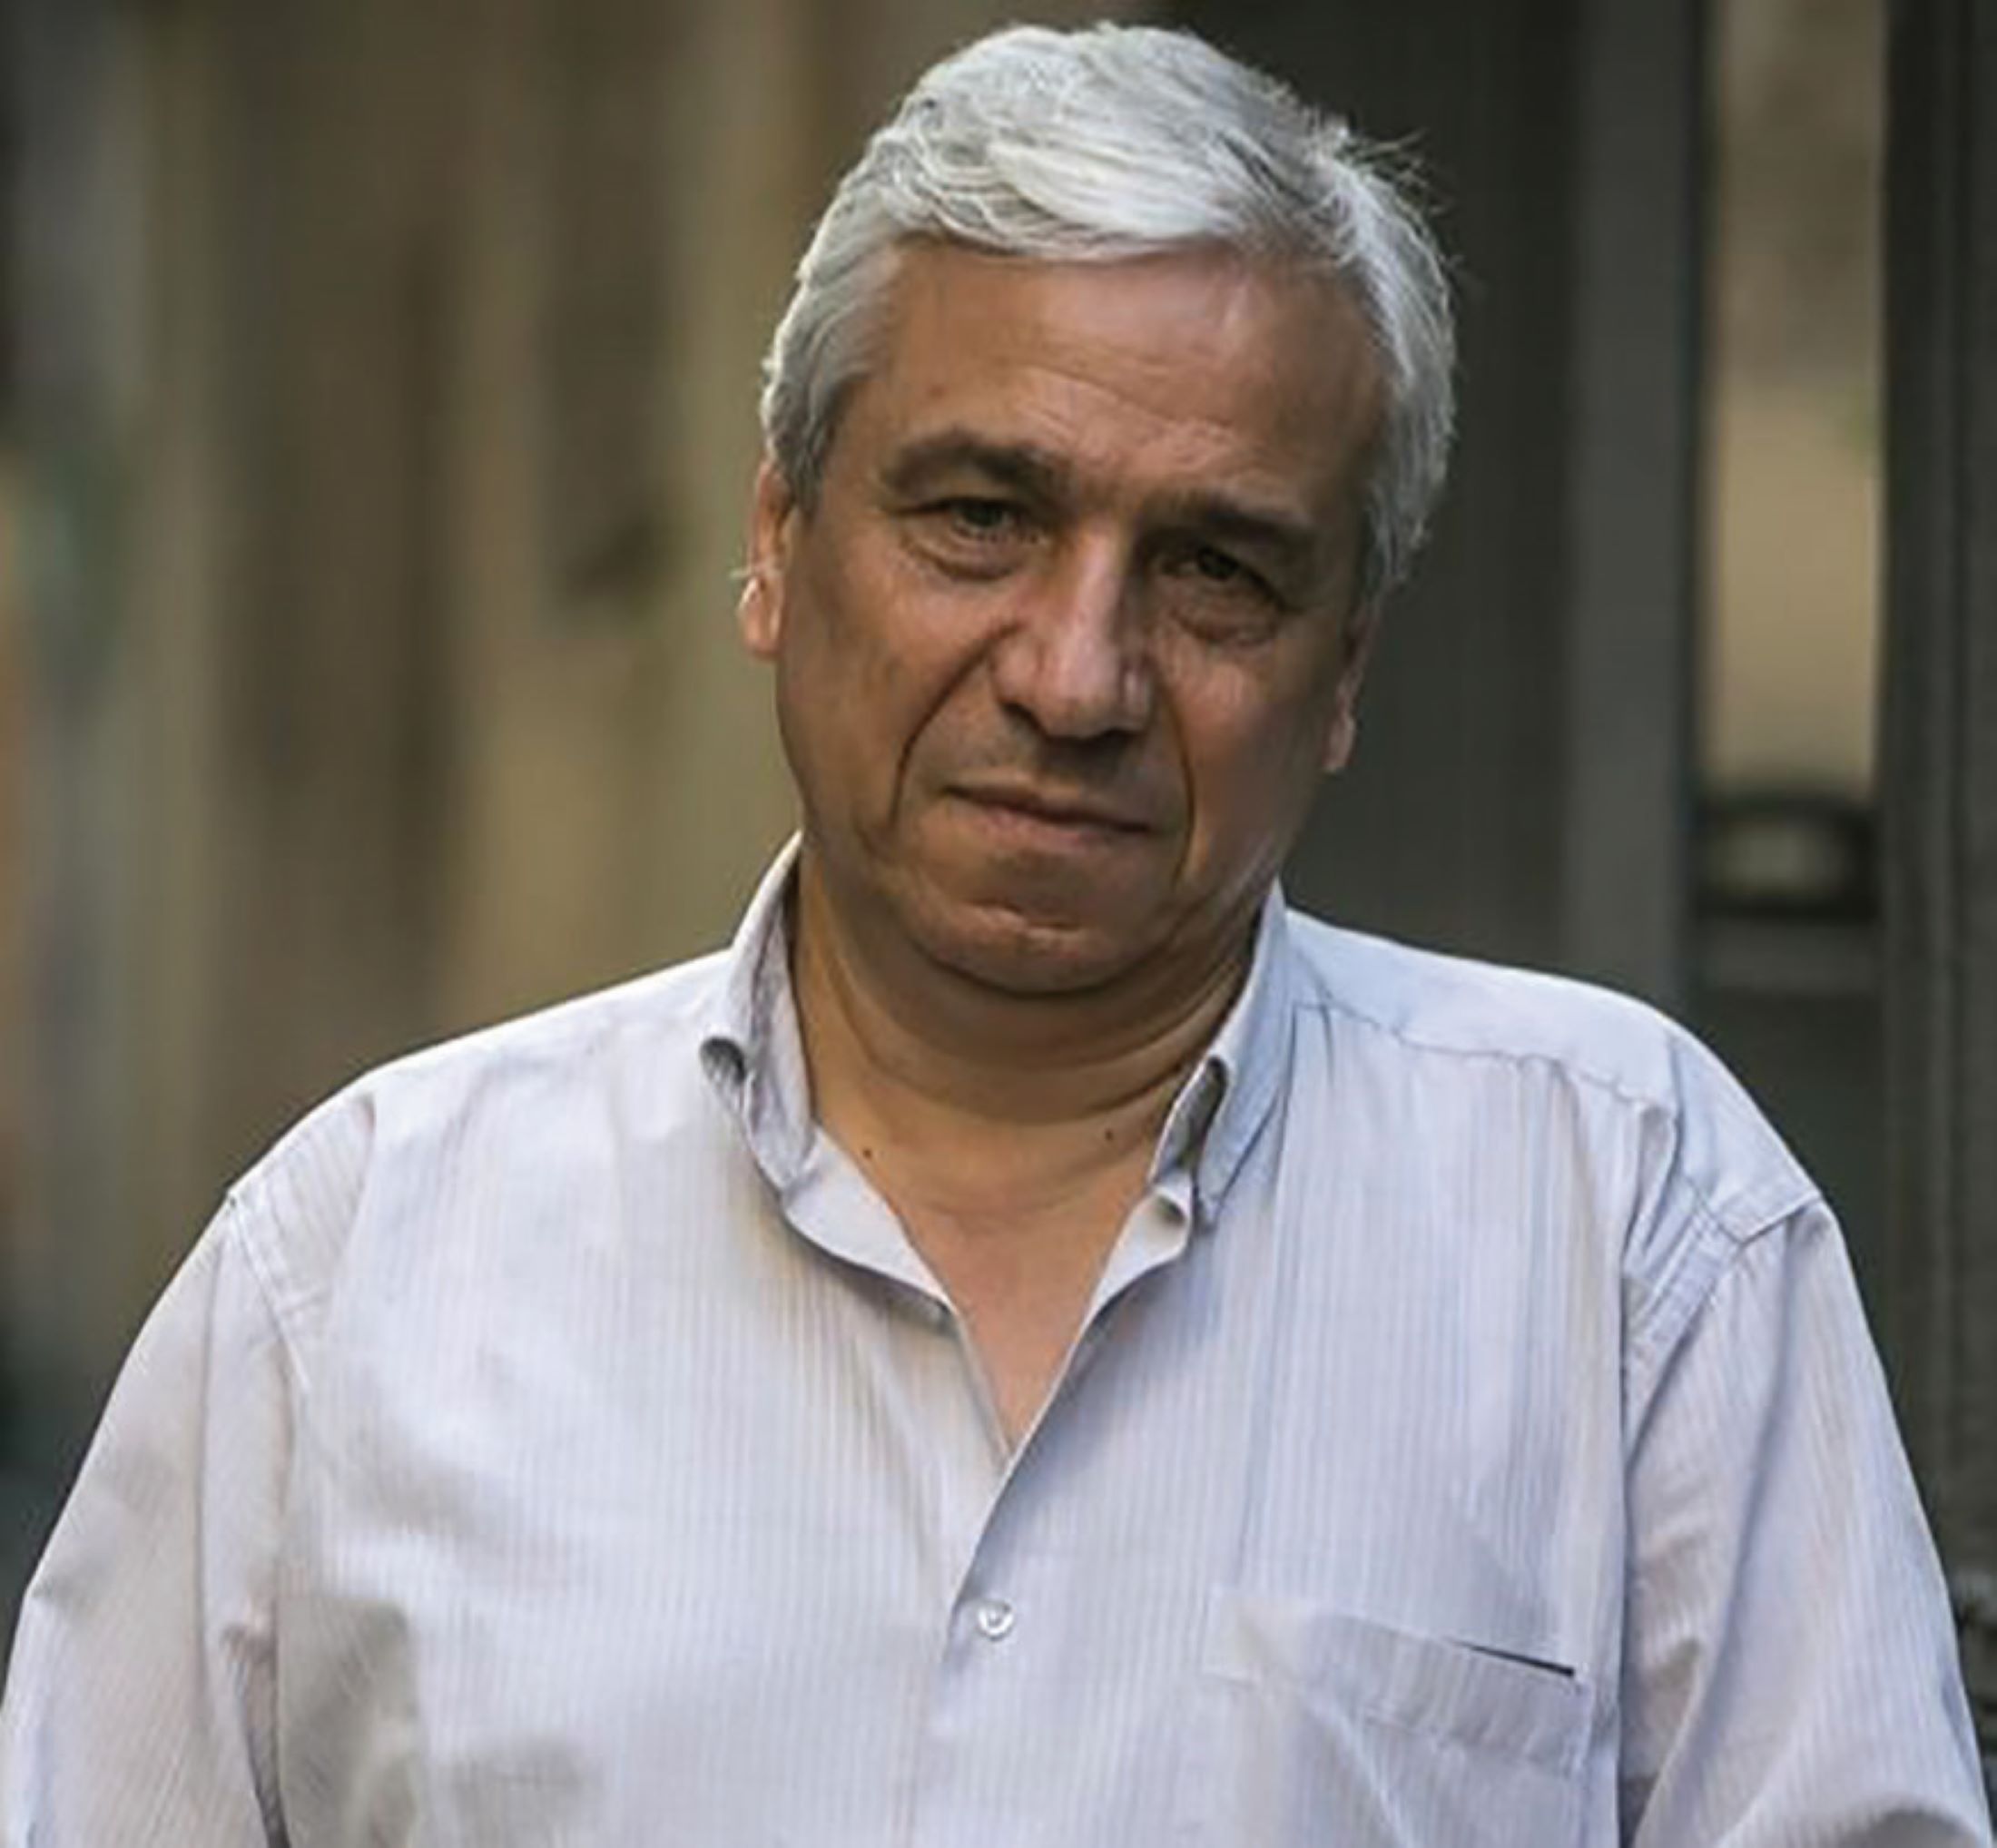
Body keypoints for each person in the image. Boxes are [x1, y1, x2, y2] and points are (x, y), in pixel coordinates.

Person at [2, 21, 1989, 1845]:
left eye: (1214, 569)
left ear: (1346, 672)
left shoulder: (1626, 1227)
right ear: (776, 546)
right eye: (979, 517)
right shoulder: (361, 1265)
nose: (1074, 673)